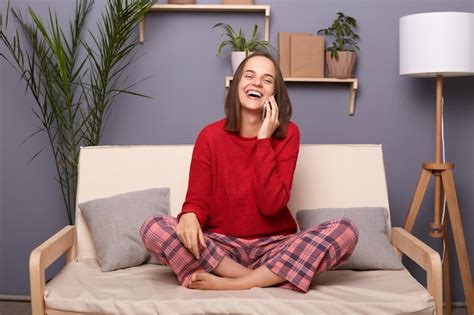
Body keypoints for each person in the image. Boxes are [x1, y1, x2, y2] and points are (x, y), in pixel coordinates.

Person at [140, 52, 358, 292]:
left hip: (274, 247)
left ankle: (237, 283)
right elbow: (197, 202)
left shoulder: (289, 134)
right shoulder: (209, 136)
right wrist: (190, 215)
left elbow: (272, 205)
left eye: (266, 80)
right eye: (249, 76)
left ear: (274, 94)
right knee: (153, 226)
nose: (256, 83)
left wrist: (264, 139)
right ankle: (265, 279)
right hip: (220, 249)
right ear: (237, 86)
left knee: (346, 230)